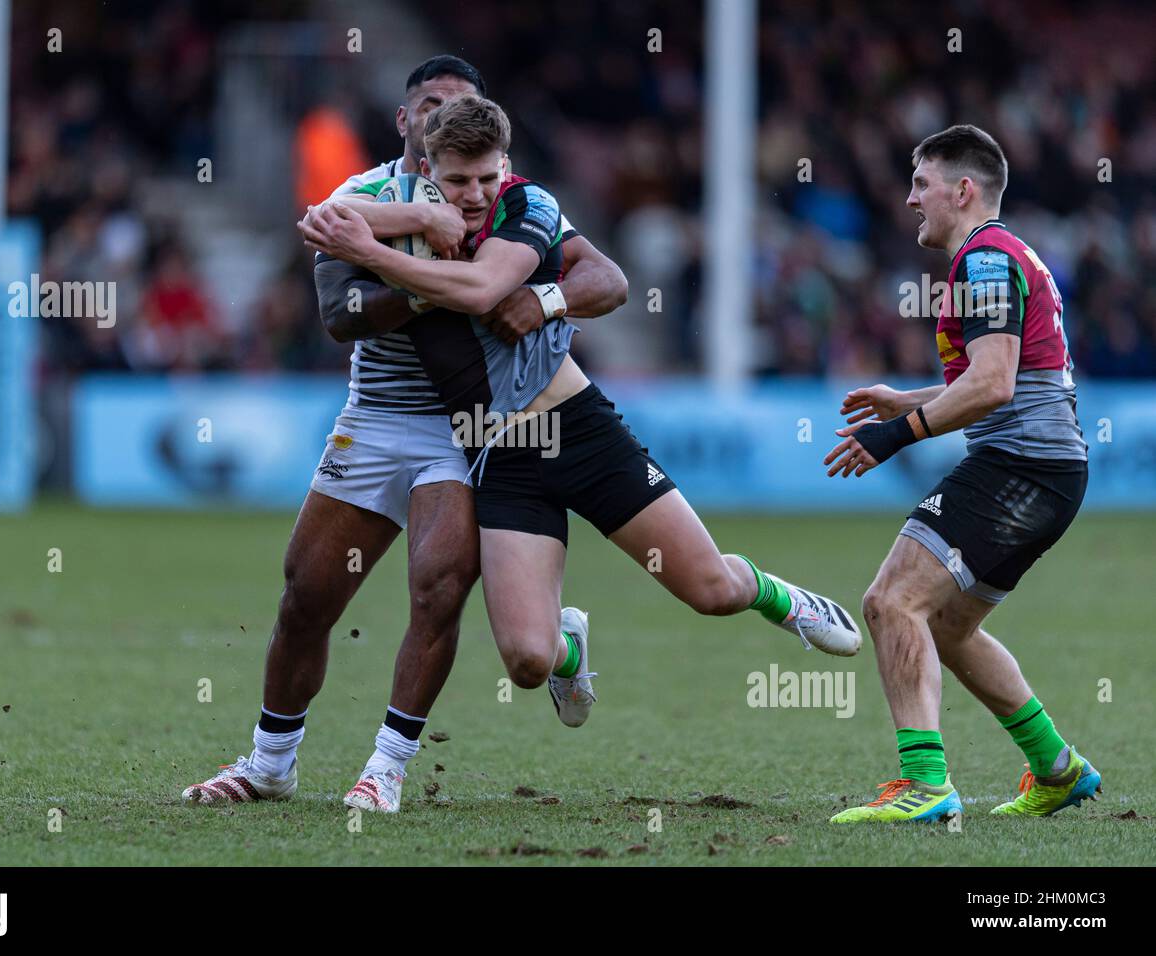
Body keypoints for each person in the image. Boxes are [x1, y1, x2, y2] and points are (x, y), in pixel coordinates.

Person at [300, 94, 862, 747]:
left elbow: (487, 290)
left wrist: (377, 252)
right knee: (529, 662)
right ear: (428, 173)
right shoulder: (406, 208)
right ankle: (570, 643)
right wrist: (395, 222)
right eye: (457, 183)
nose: (476, 194)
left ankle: (782, 598)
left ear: (505, 164)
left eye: (488, 176)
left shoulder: (527, 206)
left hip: (577, 428)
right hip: (499, 455)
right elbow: (322, 216)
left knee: (709, 590)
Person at [182, 57, 627, 814]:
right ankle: (269, 764)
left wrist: (544, 298)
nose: (445, 117)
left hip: (467, 427)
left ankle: (385, 768)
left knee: (439, 586)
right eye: (431, 105)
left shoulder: (514, 201)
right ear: (406, 120)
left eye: (462, 106)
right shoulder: (365, 195)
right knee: (306, 595)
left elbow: (603, 278)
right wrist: (423, 258)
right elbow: (337, 312)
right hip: (376, 419)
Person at [822, 125, 1100, 823]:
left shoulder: (983, 259)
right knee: (945, 626)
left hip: (1020, 467)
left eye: (921, 183)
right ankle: (1059, 770)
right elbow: (1002, 376)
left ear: (963, 190)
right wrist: (911, 397)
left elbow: (995, 386)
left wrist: (897, 434)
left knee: (891, 601)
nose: (911, 198)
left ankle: (926, 784)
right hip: (1047, 472)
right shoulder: (1004, 253)